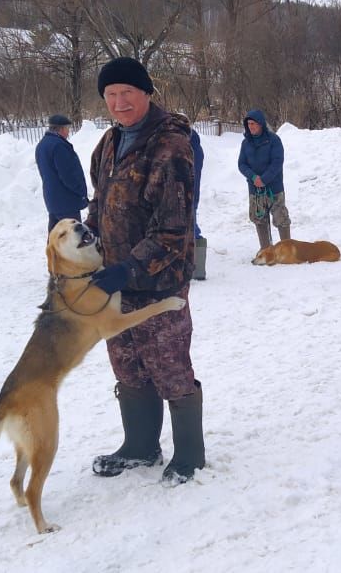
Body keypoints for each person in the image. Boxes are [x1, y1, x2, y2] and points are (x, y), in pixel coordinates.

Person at [84, 56, 205, 484]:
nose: (118, 103)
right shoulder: (110, 143)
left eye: (127, 93)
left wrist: (127, 269)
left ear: (147, 93)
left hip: (158, 284)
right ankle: (140, 445)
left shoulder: (169, 147)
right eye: (110, 95)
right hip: (116, 285)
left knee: (168, 365)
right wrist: (89, 238)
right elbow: (100, 201)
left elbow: (172, 227)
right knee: (127, 365)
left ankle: (189, 454)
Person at [237, 109, 291, 251]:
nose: (251, 126)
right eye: (249, 124)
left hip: (274, 187)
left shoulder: (273, 140)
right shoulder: (245, 143)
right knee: (259, 218)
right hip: (255, 189)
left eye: (254, 123)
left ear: (261, 124)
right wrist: (253, 177)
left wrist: (264, 179)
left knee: (281, 218)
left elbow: (277, 162)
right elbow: (241, 164)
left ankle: (287, 249)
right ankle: (266, 249)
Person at [35, 114, 88, 232]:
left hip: (52, 199)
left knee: (56, 238)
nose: (68, 132)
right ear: (62, 129)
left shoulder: (42, 145)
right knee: (73, 238)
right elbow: (68, 175)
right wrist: (81, 191)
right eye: (68, 129)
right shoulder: (59, 146)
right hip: (66, 201)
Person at [190, 128, 207, 280]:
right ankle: (197, 269)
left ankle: (196, 269)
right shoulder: (194, 143)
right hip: (190, 194)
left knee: (190, 228)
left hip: (187, 194)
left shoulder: (190, 144)